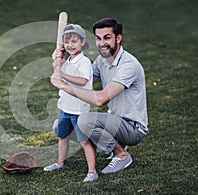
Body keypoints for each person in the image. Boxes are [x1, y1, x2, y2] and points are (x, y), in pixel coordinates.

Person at [50, 18, 148, 182]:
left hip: (132, 128)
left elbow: (101, 99)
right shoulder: (102, 61)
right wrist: (62, 59)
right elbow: (85, 80)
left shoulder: (128, 65)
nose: (102, 43)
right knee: (59, 127)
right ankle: (113, 144)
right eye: (98, 38)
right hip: (114, 121)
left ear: (118, 38)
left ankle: (121, 155)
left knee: (85, 121)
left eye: (107, 37)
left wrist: (64, 86)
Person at [43, 24, 93, 172]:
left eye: (74, 41)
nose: (70, 45)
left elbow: (82, 80)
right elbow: (58, 70)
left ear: (82, 42)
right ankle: (61, 163)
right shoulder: (68, 61)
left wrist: (62, 74)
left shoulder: (84, 62)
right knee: (62, 136)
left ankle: (92, 171)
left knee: (84, 141)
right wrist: (56, 60)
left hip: (79, 109)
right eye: (67, 42)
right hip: (64, 107)